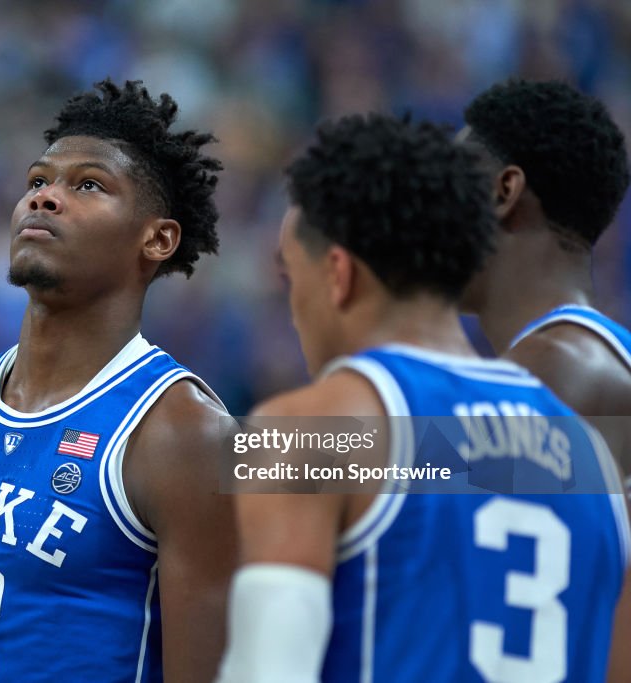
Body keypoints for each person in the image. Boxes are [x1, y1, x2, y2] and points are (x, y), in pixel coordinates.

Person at [216, 113, 631, 682]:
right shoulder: (593, 455)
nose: (292, 312)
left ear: (338, 275)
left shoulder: (307, 431)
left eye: (293, 280)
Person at [0, 79, 236, 683]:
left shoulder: (182, 431)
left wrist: (466, 451)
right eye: (38, 181)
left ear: (158, 238)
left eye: (88, 185)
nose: (44, 199)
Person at [459, 79, 631, 419]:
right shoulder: (592, 354)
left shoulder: (551, 369)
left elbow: (428, 471)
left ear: (504, 192)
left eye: (450, 180)